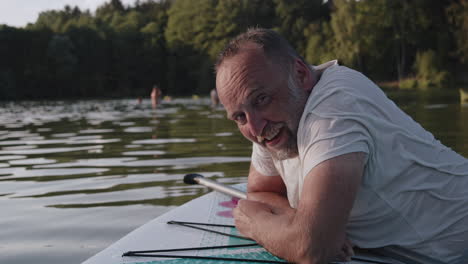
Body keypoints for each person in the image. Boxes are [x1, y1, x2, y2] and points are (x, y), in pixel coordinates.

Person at [215, 28, 468, 264]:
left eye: (261, 99)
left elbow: (311, 248)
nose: (255, 128)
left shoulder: (334, 110)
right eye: (239, 117)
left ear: (300, 74)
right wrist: (297, 222)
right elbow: (261, 191)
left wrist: (253, 221)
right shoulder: (271, 120)